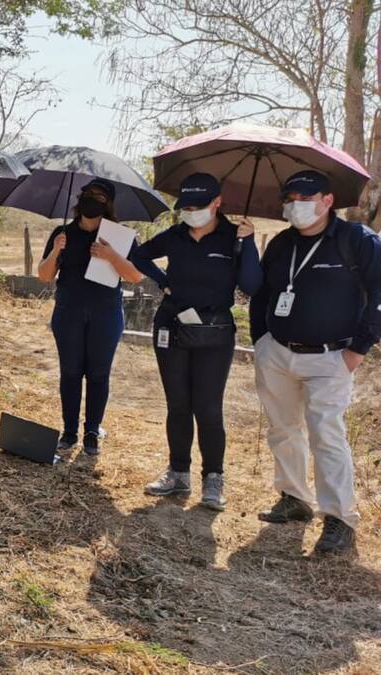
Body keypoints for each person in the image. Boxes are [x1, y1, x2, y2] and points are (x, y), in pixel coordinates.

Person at [249, 170, 381, 555]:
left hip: (331, 356)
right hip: (278, 352)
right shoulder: (281, 243)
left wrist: (358, 349)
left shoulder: (357, 240)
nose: (296, 206)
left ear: (327, 201)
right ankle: (294, 498)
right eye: (290, 199)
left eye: (305, 199)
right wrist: (261, 340)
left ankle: (339, 517)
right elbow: (263, 294)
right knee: (283, 428)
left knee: (326, 434)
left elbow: (379, 294)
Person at [131, 173, 262, 510]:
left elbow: (251, 284)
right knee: (178, 404)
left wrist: (249, 242)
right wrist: (162, 280)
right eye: (186, 207)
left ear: (217, 203)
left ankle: (213, 479)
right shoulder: (175, 235)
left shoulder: (234, 236)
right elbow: (140, 256)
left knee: (208, 407)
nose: (191, 213)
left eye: (198, 206)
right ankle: (178, 473)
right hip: (172, 326)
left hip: (214, 331)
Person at [37, 178, 144, 456]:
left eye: (99, 197)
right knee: (70, 372)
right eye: (88, 194)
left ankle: (92, 432)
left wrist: (111, 256)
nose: (92, 200)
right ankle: (69, 431)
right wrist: (56, 250)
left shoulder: (120, 236)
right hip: (68, 312)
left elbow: (135, 276)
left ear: (108, 204)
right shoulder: (63, 232)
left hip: (105, 314)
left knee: (98, 373)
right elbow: (44, 276)